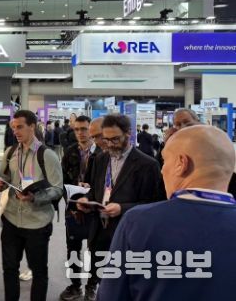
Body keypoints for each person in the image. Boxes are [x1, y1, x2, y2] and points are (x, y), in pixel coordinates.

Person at [97, 125, 236, 300]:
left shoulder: (138, 222)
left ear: (181, 163)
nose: (162, 170)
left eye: (165, 160)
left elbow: (112, 295)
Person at [76, 114, 162, 300]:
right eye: (106, 139)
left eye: (115, 139)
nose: (109, 144)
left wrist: (122, 208)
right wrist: (86, 200)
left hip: (130, 237)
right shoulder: (100, 159)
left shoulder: (147, 165)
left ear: (128, 134)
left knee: (126, 288)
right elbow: (95, 191)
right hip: (100, 233)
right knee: (104, 284)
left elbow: (155, 205)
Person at [0, 110, 63, 301]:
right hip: (11, 219)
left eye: (20, 127)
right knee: (9, 269)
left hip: (37, 223)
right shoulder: (10, 152)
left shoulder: (47, 155)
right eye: (13, 127)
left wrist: (35, 197)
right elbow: (4, 177)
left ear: (32, 126)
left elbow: (58, 189)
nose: (16, 131)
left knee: (39, 271)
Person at [59, 115, 102, 301]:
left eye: (84, 129)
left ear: (91, 130)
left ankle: (92, 285)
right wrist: (71, 201)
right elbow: (62, 181)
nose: (80, 133)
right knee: (73, 249)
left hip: (95, 209)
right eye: (76, 129)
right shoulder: (69, 152)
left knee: (96, 250)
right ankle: (75, 285)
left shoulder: (101, 152)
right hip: (73, 208)